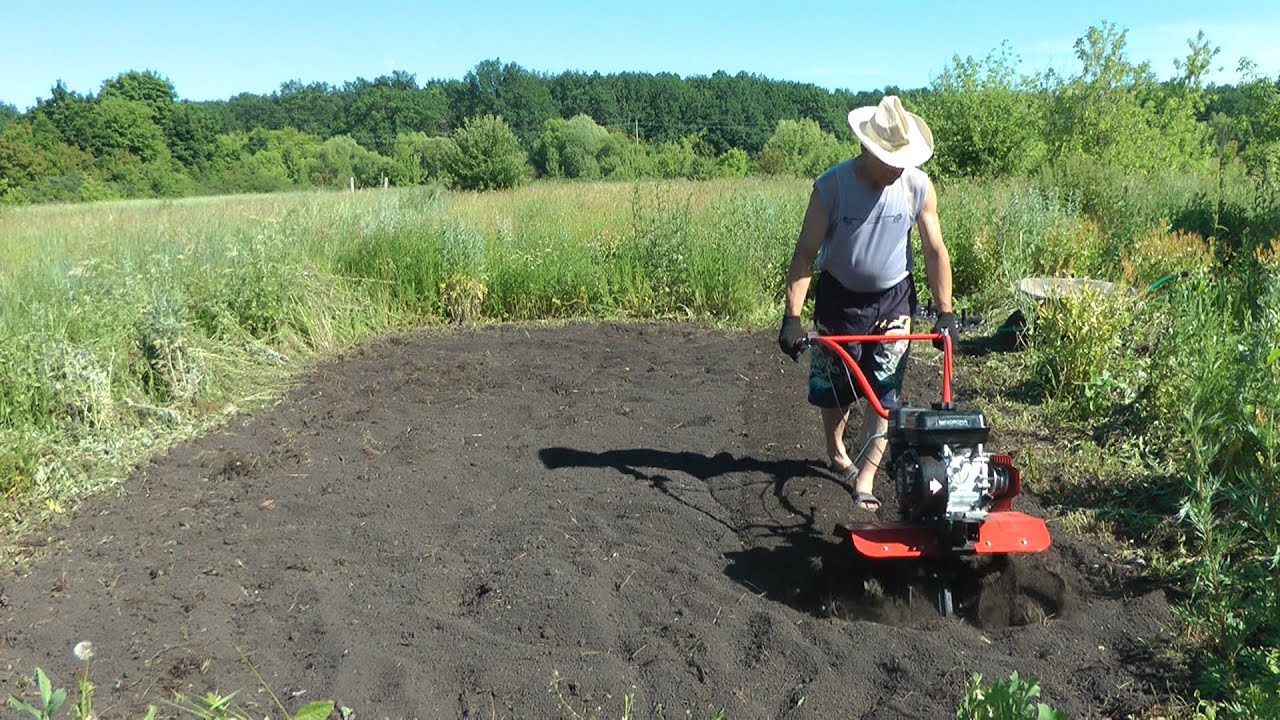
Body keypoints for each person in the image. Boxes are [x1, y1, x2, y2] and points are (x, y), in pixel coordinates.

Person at [777, 95, 956, 512]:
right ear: (865, 148)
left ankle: (866, 478)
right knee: (835, 389)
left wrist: (944, 311)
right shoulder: (832, 187)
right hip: (839, 299)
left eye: (902, 158)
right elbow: (805, 254)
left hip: (894, 298)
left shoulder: (917, 186)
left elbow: (934, 249)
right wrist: (792, 317)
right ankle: (835, 448)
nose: (898, 167)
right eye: (890, 158)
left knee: (885, 392)